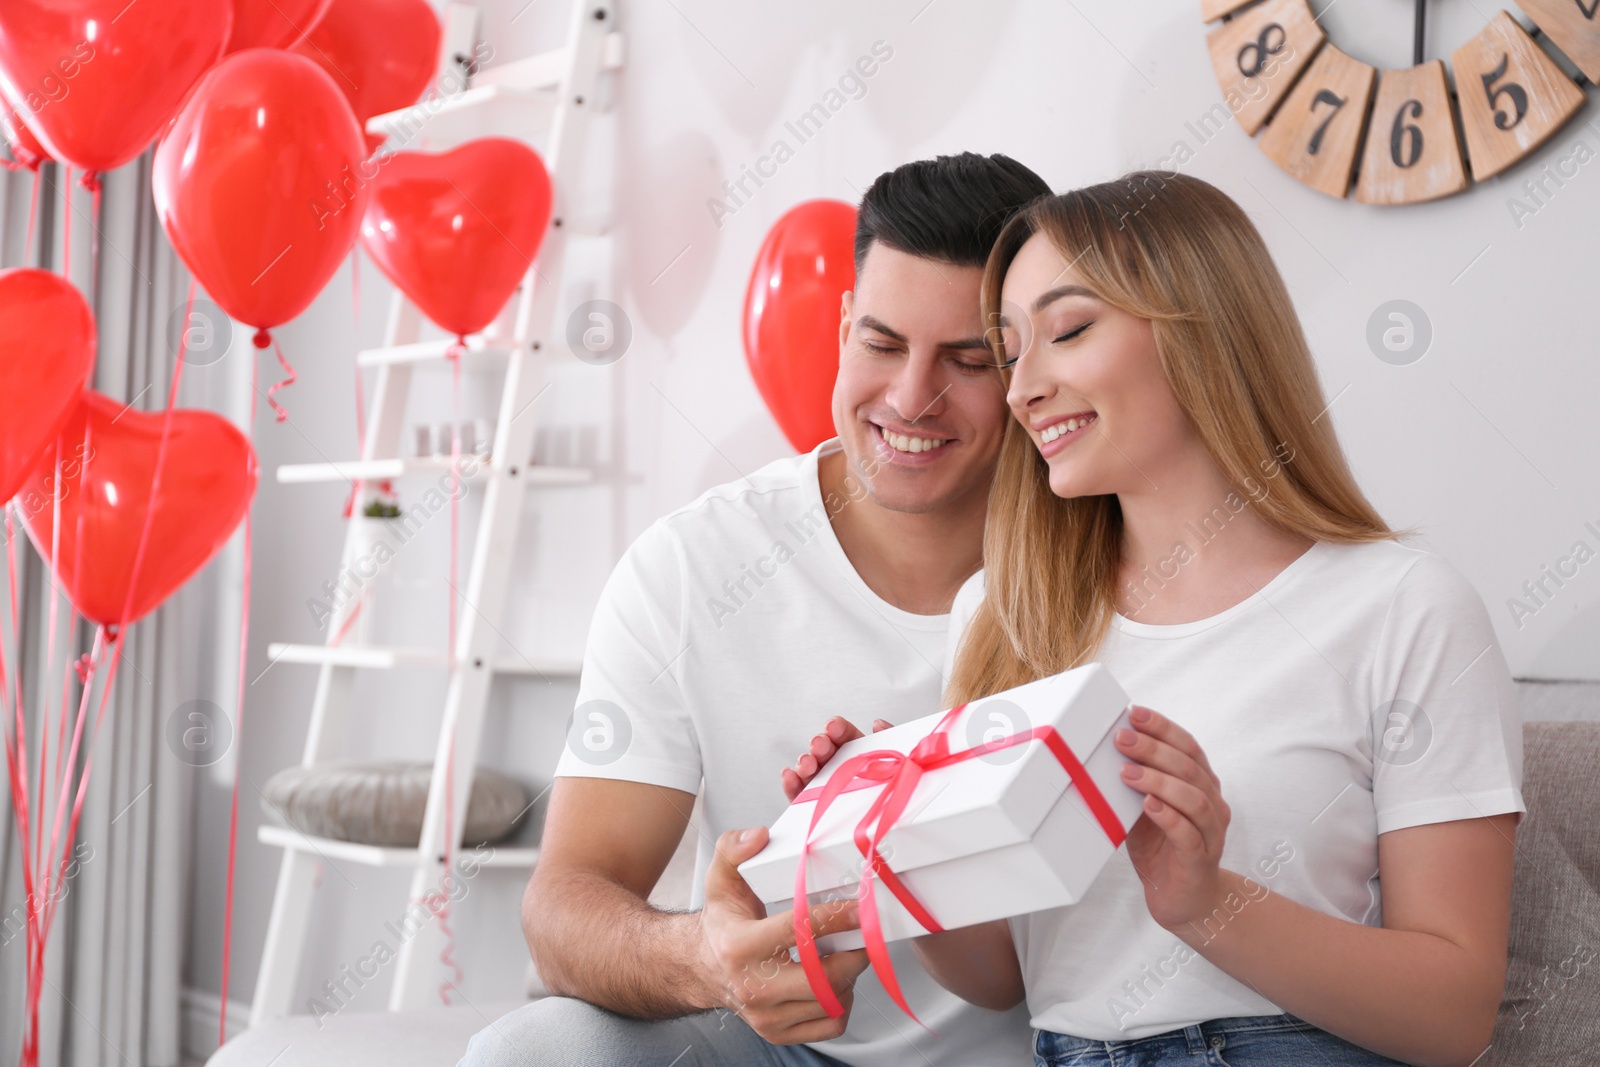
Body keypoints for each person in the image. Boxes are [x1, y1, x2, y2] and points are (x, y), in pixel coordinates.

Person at [787, 171, 1525, 1067]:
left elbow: (1453, 1016)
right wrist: (892, 853)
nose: (1024, 390)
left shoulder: (1404, 607)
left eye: (1067, 331)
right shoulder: (1005, 614)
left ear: (1201, 328)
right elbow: (1001, 978)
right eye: (1011, 352)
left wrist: (1206, 902)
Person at [458, 152, 1050, 1067]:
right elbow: (565, 903)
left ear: (1026, 370)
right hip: (781, 1049)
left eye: (968, 360)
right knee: (536, 1049)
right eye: (883, 344)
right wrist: (706, 957)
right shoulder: (693, 567)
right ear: (845, 325)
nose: (910, 398)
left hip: (1044, 1048)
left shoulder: (1107, 552)